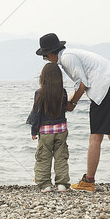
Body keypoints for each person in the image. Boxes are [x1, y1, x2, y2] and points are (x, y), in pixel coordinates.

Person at [36, 33, 110, 192]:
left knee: (95, 136)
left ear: (51, 53)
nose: (47, 60)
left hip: (104, 89)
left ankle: (89, 181)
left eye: (45, 57)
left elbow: (82, 84)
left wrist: (72, 103)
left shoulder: (67, 58)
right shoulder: (73, 53)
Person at [27, 63, 70, 192]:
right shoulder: (62, 92)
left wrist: (34, 131)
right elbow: (64, 110)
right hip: (61, 129)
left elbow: (36, 113)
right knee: (61, 156)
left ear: (43, 77)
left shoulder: (40, 93)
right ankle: (62, 183)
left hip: (45, 131)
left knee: (43, 157)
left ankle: (45, 184)